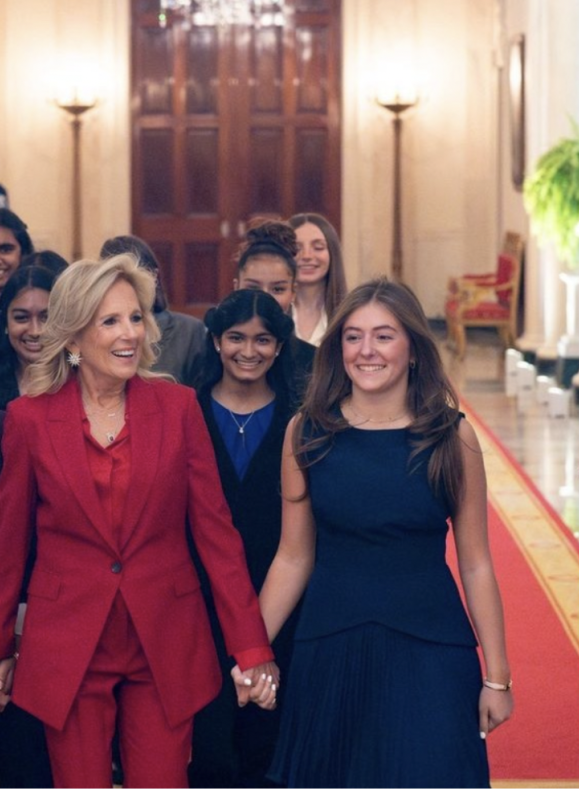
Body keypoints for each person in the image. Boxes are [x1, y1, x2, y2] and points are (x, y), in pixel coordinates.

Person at [0, 256, 278, 788]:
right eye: (110, 321)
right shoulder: (29, 419)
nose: (129, 334)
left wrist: (250, 648)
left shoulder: (178, 408)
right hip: (69, 642)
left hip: (162, 638)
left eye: (136, 318)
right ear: (72, 336)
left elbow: (216, 536)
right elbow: (9, 544)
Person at [257, 277, 514, 787]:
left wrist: (498, 677)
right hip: (331, 645)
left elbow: (476, 562)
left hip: (431, 647)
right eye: (353, 336)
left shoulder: (450, 434)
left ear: (413, 349)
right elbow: (292, 557)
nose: (366, 351)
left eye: (383, 336)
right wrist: (250, 650)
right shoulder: (305, 432)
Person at [188, 289, 301, 788]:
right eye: (236, 337)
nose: (248, 351)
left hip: (280, 610)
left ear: (279, 347)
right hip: (198, 610)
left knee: (267, 748)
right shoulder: (183, 413)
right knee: (207, 751)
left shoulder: (302, 421)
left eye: (262, 339)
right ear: (215, 341)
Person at [99, 235, 205, 386]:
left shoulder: (190, 332)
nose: (123, 287)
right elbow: (74, 363)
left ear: (154, 277)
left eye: (134, 277)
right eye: (113, 279)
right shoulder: (90, 330)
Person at [232, 221, 315, 404]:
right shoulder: (212, 353)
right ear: (236, 287)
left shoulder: (314, 362)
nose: (264, 298)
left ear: (293, 292)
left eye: (277, 289)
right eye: (253, 286)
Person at [0, 265, 57, 410]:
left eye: (46, 317)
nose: (35, 331)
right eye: (21, 318)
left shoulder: (83, 378)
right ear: (5, 321)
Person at [288, 213, 347, 346]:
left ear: (332, 253)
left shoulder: (349, 313)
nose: (307, 256)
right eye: (296, 249)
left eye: (318, 247)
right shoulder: (272, 310)